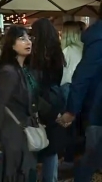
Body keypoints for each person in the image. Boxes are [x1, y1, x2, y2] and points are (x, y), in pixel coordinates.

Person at [58, 0, 102, 182]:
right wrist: (72, 109)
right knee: (93, 157)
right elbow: (83, 75)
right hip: (98, 110)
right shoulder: (99, 37)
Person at [0, 25, 36, 181]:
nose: (28, 42)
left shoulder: (23, 70)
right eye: (22, 38)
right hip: (11, 132)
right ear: (12, 45)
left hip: (21, 130)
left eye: (29, 38)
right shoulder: (8, 72)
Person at [30, 18, 67, 182]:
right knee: (51, 148)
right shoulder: (57, 53)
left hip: (39, 101)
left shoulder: (34, 55)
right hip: (54, 100)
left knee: (33, 140)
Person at [59, 21, 84, 170]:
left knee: (69, 126)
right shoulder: (83, 50)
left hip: (68, 88)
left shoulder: (67, 51)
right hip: (81, 89)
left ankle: (68, 159)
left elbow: (63, 74)